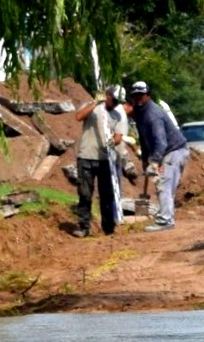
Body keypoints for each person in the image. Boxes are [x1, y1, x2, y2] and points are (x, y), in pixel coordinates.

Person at [129, 80, 189, 231]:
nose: (138, 98)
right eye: (135, 96)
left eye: (141, 95)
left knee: (163, 184)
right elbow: (143, 137)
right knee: (165, 185)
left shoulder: (152, 115)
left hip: (173, 151)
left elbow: (161, 142)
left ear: (148, 95)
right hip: (168, 151)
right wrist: (144, 159)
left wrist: (154, 162)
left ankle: (165, 220)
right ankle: (167, 217)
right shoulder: (139, 112)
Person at [71, 84, 129, 237]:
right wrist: (96, 103)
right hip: (86, 156)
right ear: (107, 96)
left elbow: (118, 137)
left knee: (107, 195)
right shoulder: (94, 108)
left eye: (118, 102)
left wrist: (111, 142)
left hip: (106, 160)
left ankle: (108, 228)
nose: (115, 104)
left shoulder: (118, 116)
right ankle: (83, 227)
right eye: (114, 100)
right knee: (85, 193)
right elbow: (78, 117)